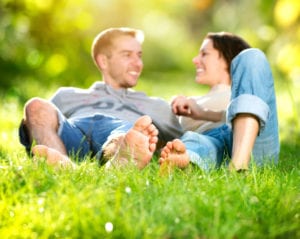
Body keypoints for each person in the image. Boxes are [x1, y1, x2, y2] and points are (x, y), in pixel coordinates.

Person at [19, 27, 183, 169]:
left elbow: (183, 142)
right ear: (103, 61)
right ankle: (61, 164)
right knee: (35, 106)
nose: (138, 63)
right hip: (74, 130)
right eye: (127, 55)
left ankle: (122, 157)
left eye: (139, 55)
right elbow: (39, 126)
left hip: (119, 131)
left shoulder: (157, 106)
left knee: (128, 134)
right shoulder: (66, 95)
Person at [159, 32, 280, 172]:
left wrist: (203, 113)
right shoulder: (195, 101)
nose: (195, 60)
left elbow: (246, 104)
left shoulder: (248, 90)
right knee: (195, 142)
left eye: (204, 54)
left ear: (228, 58)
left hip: (254, 145)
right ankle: (187, 161)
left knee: (253, 56)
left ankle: (238, 166)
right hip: (212, 145)